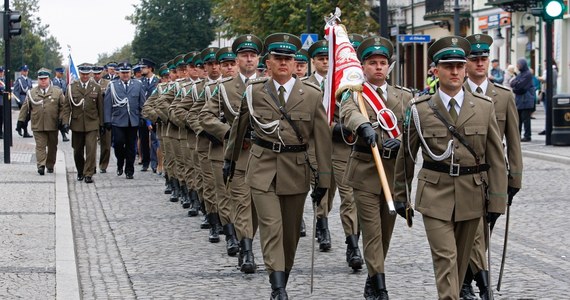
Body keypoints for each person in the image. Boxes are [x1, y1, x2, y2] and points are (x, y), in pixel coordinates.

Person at [394, 36, 508, 300]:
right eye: (448, 66)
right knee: (445, 258)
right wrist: (401, 195)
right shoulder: (420, 109)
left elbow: (496, 158)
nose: (455, 72)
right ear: (436, 70)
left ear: (465, 68)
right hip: (435, 195)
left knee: (459, 262)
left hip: (472, 195)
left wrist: (497, 202)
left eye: (459, 65)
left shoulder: (483, 107)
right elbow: (406, 157)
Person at [224, 33, 331, 299]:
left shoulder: (312, 95)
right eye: (278, 58)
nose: (283, 63)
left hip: (296, 169)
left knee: (291, 233)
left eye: (288, 59)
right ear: (268, 63)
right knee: (271, 226)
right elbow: (239, 128)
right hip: (262, 169)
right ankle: (277, 286)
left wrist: (324, 180)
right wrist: (230, 159)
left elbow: (322, 140)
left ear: (295, 64)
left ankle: (283, 272)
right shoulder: (255, 91)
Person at [340, 35, 413, 298]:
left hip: (394, 176)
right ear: (363, 66)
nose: (378, 67)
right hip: (365, 173)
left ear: (388, 66)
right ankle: (381, 289)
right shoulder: (355, 93)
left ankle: (373, 278)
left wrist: (401, 142)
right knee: (371, 232)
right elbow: (347, 113)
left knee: (385, 235)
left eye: (383, 63)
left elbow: (412, 128)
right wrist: (363, 126)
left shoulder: (403, 96)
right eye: (372, 63)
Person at [463, 33, 523, 300]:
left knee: (483, 233)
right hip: (466, 176)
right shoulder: (456, 94)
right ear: (465, 63)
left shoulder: (504, 95)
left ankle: (465, 279)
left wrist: (515, 178)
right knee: (472, 231)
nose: (479, 63)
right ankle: (478, 285)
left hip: (495, 176)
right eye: (474, 59)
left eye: (483, 58)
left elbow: (513, 140)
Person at [200, 34, 262, 273]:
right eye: (244, 55)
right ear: (237, 60)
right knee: (241, 202)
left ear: (258, 59)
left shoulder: (268, 85)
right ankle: (246, 251)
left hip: (264, 157)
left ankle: (246, 237)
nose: (249, 59)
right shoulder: (225, 89)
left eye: (253, 55)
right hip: (239, 155)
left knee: (257, 207)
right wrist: (229, 134)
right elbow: (205, 117)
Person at [306, 39, 333, 251]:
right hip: (313, 144)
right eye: (321, 59)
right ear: (313, 62)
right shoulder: (305, 86)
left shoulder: (342, 84)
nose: (325, 62)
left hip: (338, 144)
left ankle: (322, 217)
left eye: (328, 59)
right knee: (319, 183)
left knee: (334, 190)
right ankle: (323, 226)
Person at [17, 68, 68, 175]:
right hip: (38, 124)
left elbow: (63, 107)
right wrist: (20, 121)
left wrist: (64, 121)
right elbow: (25, 107)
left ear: (49, 79)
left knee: (52, 146)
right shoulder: (32, 92)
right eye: (41, 79)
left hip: (53, 124)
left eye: (45, 79)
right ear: (38, 79)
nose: (43, 81)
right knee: (40, 146)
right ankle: (41, 165)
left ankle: (50, 165)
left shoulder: (57, 92)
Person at [103, 63, 146, 179]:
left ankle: (129, 169)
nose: (125, 75)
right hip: (117, 120)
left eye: (127, 72)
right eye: (123, 72)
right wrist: (107, 120)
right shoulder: (112, 85)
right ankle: (120, 162)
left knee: (131, 146)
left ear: (131, 73)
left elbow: (142, 103)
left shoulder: (137, 85)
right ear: (119, 73)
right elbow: (107, 104)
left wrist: (143, 117)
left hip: (133, 120)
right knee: (118, 143)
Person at [62, 63, 104, 183]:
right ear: (79, 73)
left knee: (91, 150)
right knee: (77, 151)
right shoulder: (72, 87)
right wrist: (65, 122)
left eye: (87, 74)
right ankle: (80, 170)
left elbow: (100, 107)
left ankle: (88, 173)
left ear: (90, 74)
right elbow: (66, 107)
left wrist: (102, 124)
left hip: (92, 123)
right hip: (77, 123)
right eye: (83, 74)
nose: (85, 76)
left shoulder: (96, 87)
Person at [510, 58, 535, 142]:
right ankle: (518, 135)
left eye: (519, 65)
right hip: (520, 101)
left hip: (526, 101)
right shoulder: (520, 74)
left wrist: (515, 87)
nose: (518, 66)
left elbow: (521, 86)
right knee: (518, 120)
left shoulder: (527, 74)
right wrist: (516, 86)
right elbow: (512, 83)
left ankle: (527, 136)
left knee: (526, 120)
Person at [13, 65, 34, 137]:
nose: (26, 72)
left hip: (29, 99)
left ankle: (19, 126)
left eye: (27, 71)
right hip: (22, 99)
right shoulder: (19, 80)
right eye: (24, 71)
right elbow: (15, 91)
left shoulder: (29, 80)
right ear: (21, 72)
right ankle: (25, 132)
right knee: (23, 115)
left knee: (29, 116)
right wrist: (18, 101)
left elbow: (31, 90)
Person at [51, 67, 69, 142]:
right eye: (60, 73)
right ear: (56, 73)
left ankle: (64, 135)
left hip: (63, 103)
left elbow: (65, 91)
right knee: (56, 120)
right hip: (55, 102)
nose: (61, 75)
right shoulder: (52, 81)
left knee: (61, 119)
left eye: (62, 73)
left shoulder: (64, 81)